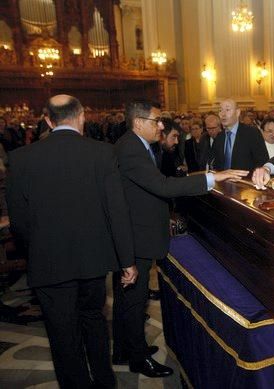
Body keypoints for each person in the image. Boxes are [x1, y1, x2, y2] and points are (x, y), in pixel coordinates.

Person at [6, 94, 137, 388]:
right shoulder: (103, 153)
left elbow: (19, 222)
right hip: (93, 261)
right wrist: (126, 261)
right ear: (81, 117)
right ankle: (104, 381)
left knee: (62, 333)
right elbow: (117, 212)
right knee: (94, 320)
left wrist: (37, 250)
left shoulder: (21, 158)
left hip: (48, 263)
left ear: (49, 121)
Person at [112, 100, 247, 378]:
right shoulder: (130, 149)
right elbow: (161, 185)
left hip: (140, 229)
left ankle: (127, 348)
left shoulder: (137, 145)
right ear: (138, 123)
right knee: (134, 299)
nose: (161, 126)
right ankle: (136, 357)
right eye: (156, 121)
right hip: (135, 234)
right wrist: (211, 178)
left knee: (130, 298)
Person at [212, 99, 269, 171]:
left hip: (246, 181)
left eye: (227, 110)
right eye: (220, 110)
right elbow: (217, 165)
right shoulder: (219, 137)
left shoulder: (252, 133)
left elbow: (262, 162)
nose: (223, 114)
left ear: (237, 112)